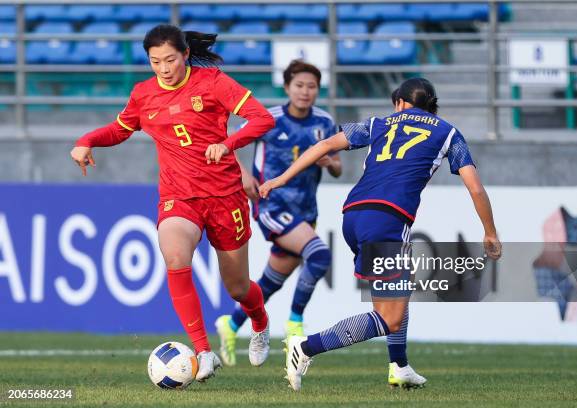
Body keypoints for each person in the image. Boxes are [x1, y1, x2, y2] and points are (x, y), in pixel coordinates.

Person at [259, 78, 502, 391]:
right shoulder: (447, 132)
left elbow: (324, 145)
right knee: (388, 317)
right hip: (387, 220)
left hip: (354, 214)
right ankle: (305, 347)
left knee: (399, 289)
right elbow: (475, 186)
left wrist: (280, 178)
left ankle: (399, 366)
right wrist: (490, 232)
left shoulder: (379, 123)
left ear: (400, 102)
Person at [70, 24, 275, 382]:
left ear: (184, 55)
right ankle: (203, 352)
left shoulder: (213, 83)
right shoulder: (143, 94)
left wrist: (228, 145)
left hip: (225, 195)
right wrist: (87, 139)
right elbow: (121, 129)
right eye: (155, 62)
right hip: (178, 196)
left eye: (170, 60)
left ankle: (259, 320)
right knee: (176, 257)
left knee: (238, 287)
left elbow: (262, 118)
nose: (164, 69)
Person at [215, 60, 342, 367]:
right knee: (320, 255)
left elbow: (338, 167)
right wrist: (243, 175)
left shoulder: (324, 122)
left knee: (272, 280)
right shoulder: (268, 118)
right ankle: (295, 324)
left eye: (311, 86)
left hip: (305, 210)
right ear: (287, 88)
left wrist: (329, 163)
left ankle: (230, 325)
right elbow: (226, 145)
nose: (305, 92)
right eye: (299, 85)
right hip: (271, 204)